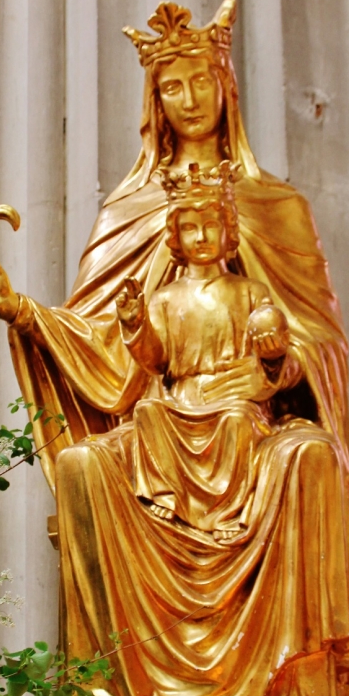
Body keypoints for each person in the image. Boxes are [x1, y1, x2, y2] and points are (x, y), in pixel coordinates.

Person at [0, 0, 349, 696]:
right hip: (165, 438)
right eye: (171, 87)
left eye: (201, 80)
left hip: (250, 437)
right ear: (154, 103)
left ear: (226, 85)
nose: (189, 99)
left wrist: (278, 358)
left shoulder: (274, 206)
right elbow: (111, 346)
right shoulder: (131, 211)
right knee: (81, 464)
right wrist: (17, 308)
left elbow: (323, 344)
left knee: (308, 457)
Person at [117, 160, 291, 544]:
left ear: (228, 228)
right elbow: (156, 359)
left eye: (211, 225)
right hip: (183, 400)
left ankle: (227, 512)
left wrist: (271, 350)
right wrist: (135, 325)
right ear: (175, 235)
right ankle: (166, 494)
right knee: (148, 411)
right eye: (189, 228)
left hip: (230, 400)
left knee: (236, 422)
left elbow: (270, 350)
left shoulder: (250, 292)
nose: (201, 236)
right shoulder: (164, 298)